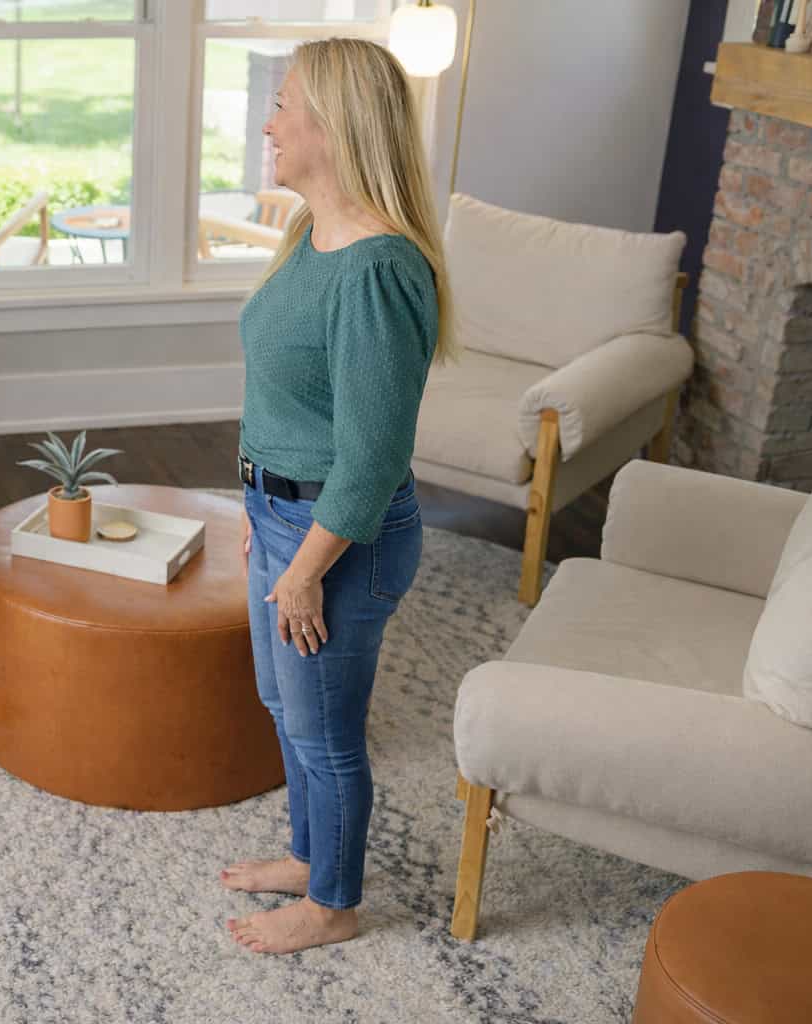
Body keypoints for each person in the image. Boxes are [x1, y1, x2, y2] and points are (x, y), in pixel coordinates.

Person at [218, 38, 455, 953]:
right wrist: (257, 512)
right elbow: (280, 401)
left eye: (284, 105)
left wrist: (308, 567)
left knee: (328, 736)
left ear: (337, 125)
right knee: (287, 708)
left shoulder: (378, 270)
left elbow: (372, 457)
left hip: (340, 537)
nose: (268, 123)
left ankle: (335, 905)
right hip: (282, 520)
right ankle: (313, 858)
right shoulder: (309, 237)